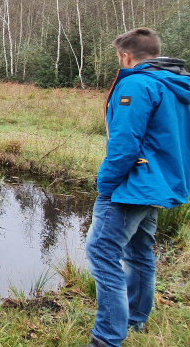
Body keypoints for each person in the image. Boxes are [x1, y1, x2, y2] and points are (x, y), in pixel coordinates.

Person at [84, 28, 190, 347]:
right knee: (139, 250)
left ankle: (107, 338)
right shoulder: (176, 84)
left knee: (102, 251)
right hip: (159, 183)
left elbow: (125, 143)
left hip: (133, 186)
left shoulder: (135, 83)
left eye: (120, 57)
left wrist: (106, 183)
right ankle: (136, 318)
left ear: (126, 57)